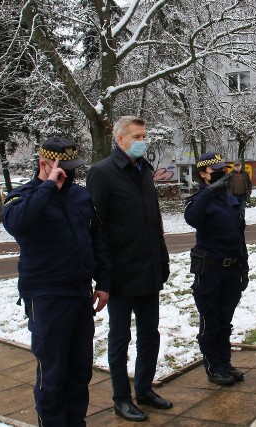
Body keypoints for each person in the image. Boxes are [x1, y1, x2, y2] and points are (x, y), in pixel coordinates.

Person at [2, 137, 111, 426]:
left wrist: (103, 281)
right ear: (44, 163)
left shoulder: (79, 196)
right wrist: (48, 186)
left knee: (79, 373)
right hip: (46, 298)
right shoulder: (22, 197)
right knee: (52, 376)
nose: (71, 173)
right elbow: (17, 224)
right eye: (65, 167)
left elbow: (95, 239)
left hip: (79, 295)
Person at [86, 116, 172, 422]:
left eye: (144, 135)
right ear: (121, 139)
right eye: (137, 135)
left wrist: (162, 261)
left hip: (149, 271)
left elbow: (154, 222)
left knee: (150, 335)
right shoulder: (102, 173)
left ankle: (145, 389)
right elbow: (98, 229)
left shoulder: (144, 171)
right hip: (121, 275)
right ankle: (121, 398)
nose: (143, 141)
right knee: (120, 339)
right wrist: (104, 276)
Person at [184, 152, 249, 386]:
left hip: (231, 271)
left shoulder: (231, 200)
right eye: (216, 171)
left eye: (224, 170)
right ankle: (213, 366)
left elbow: (239, 238)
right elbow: (192, 218)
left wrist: (244, 268)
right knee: (210, 321)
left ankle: (225, 362)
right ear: (203, 174)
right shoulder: (199, 200)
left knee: (225, 321)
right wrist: (209, 191)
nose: (222, 174)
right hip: (210, 272)